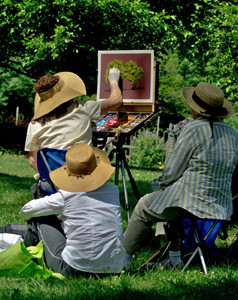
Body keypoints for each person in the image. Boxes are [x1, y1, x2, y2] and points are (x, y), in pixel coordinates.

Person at [123, 82, 238, 269]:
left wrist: (162, 183)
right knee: (171, 197)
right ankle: (175, 259)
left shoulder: (194, 128)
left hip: (194, 202)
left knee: (145, 206)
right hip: (221, 205)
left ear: (196, 109)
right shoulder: (232, 133)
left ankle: (121, 259)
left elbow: (172, 170)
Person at [16, 143, 125, 277]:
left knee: (40, 216)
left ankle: (26, 258)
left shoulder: (67, 195)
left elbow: (26, 210)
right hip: (114, 268)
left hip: (75, 269)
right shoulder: (113, 191)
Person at [25, 68, 122, 172]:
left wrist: (48, 178)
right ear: (66, 92)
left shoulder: (35, 124)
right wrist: (113, 81)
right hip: (85, 175)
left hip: (52, 181)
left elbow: (32, 160)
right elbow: (116, 101)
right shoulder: (82, 108)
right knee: (111, 188)